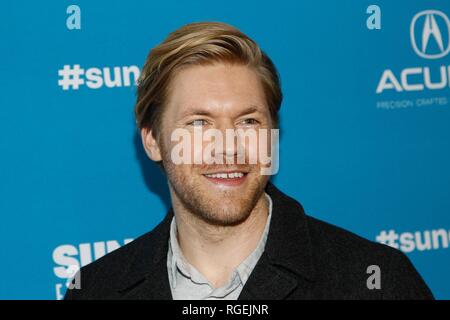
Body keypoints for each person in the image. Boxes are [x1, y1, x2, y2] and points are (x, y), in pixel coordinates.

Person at [65, 21, 433, 300]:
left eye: (248, 121)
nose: (228, 147)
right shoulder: (97, 290)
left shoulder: (376, 282)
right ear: (153, 141)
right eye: (198, 123)